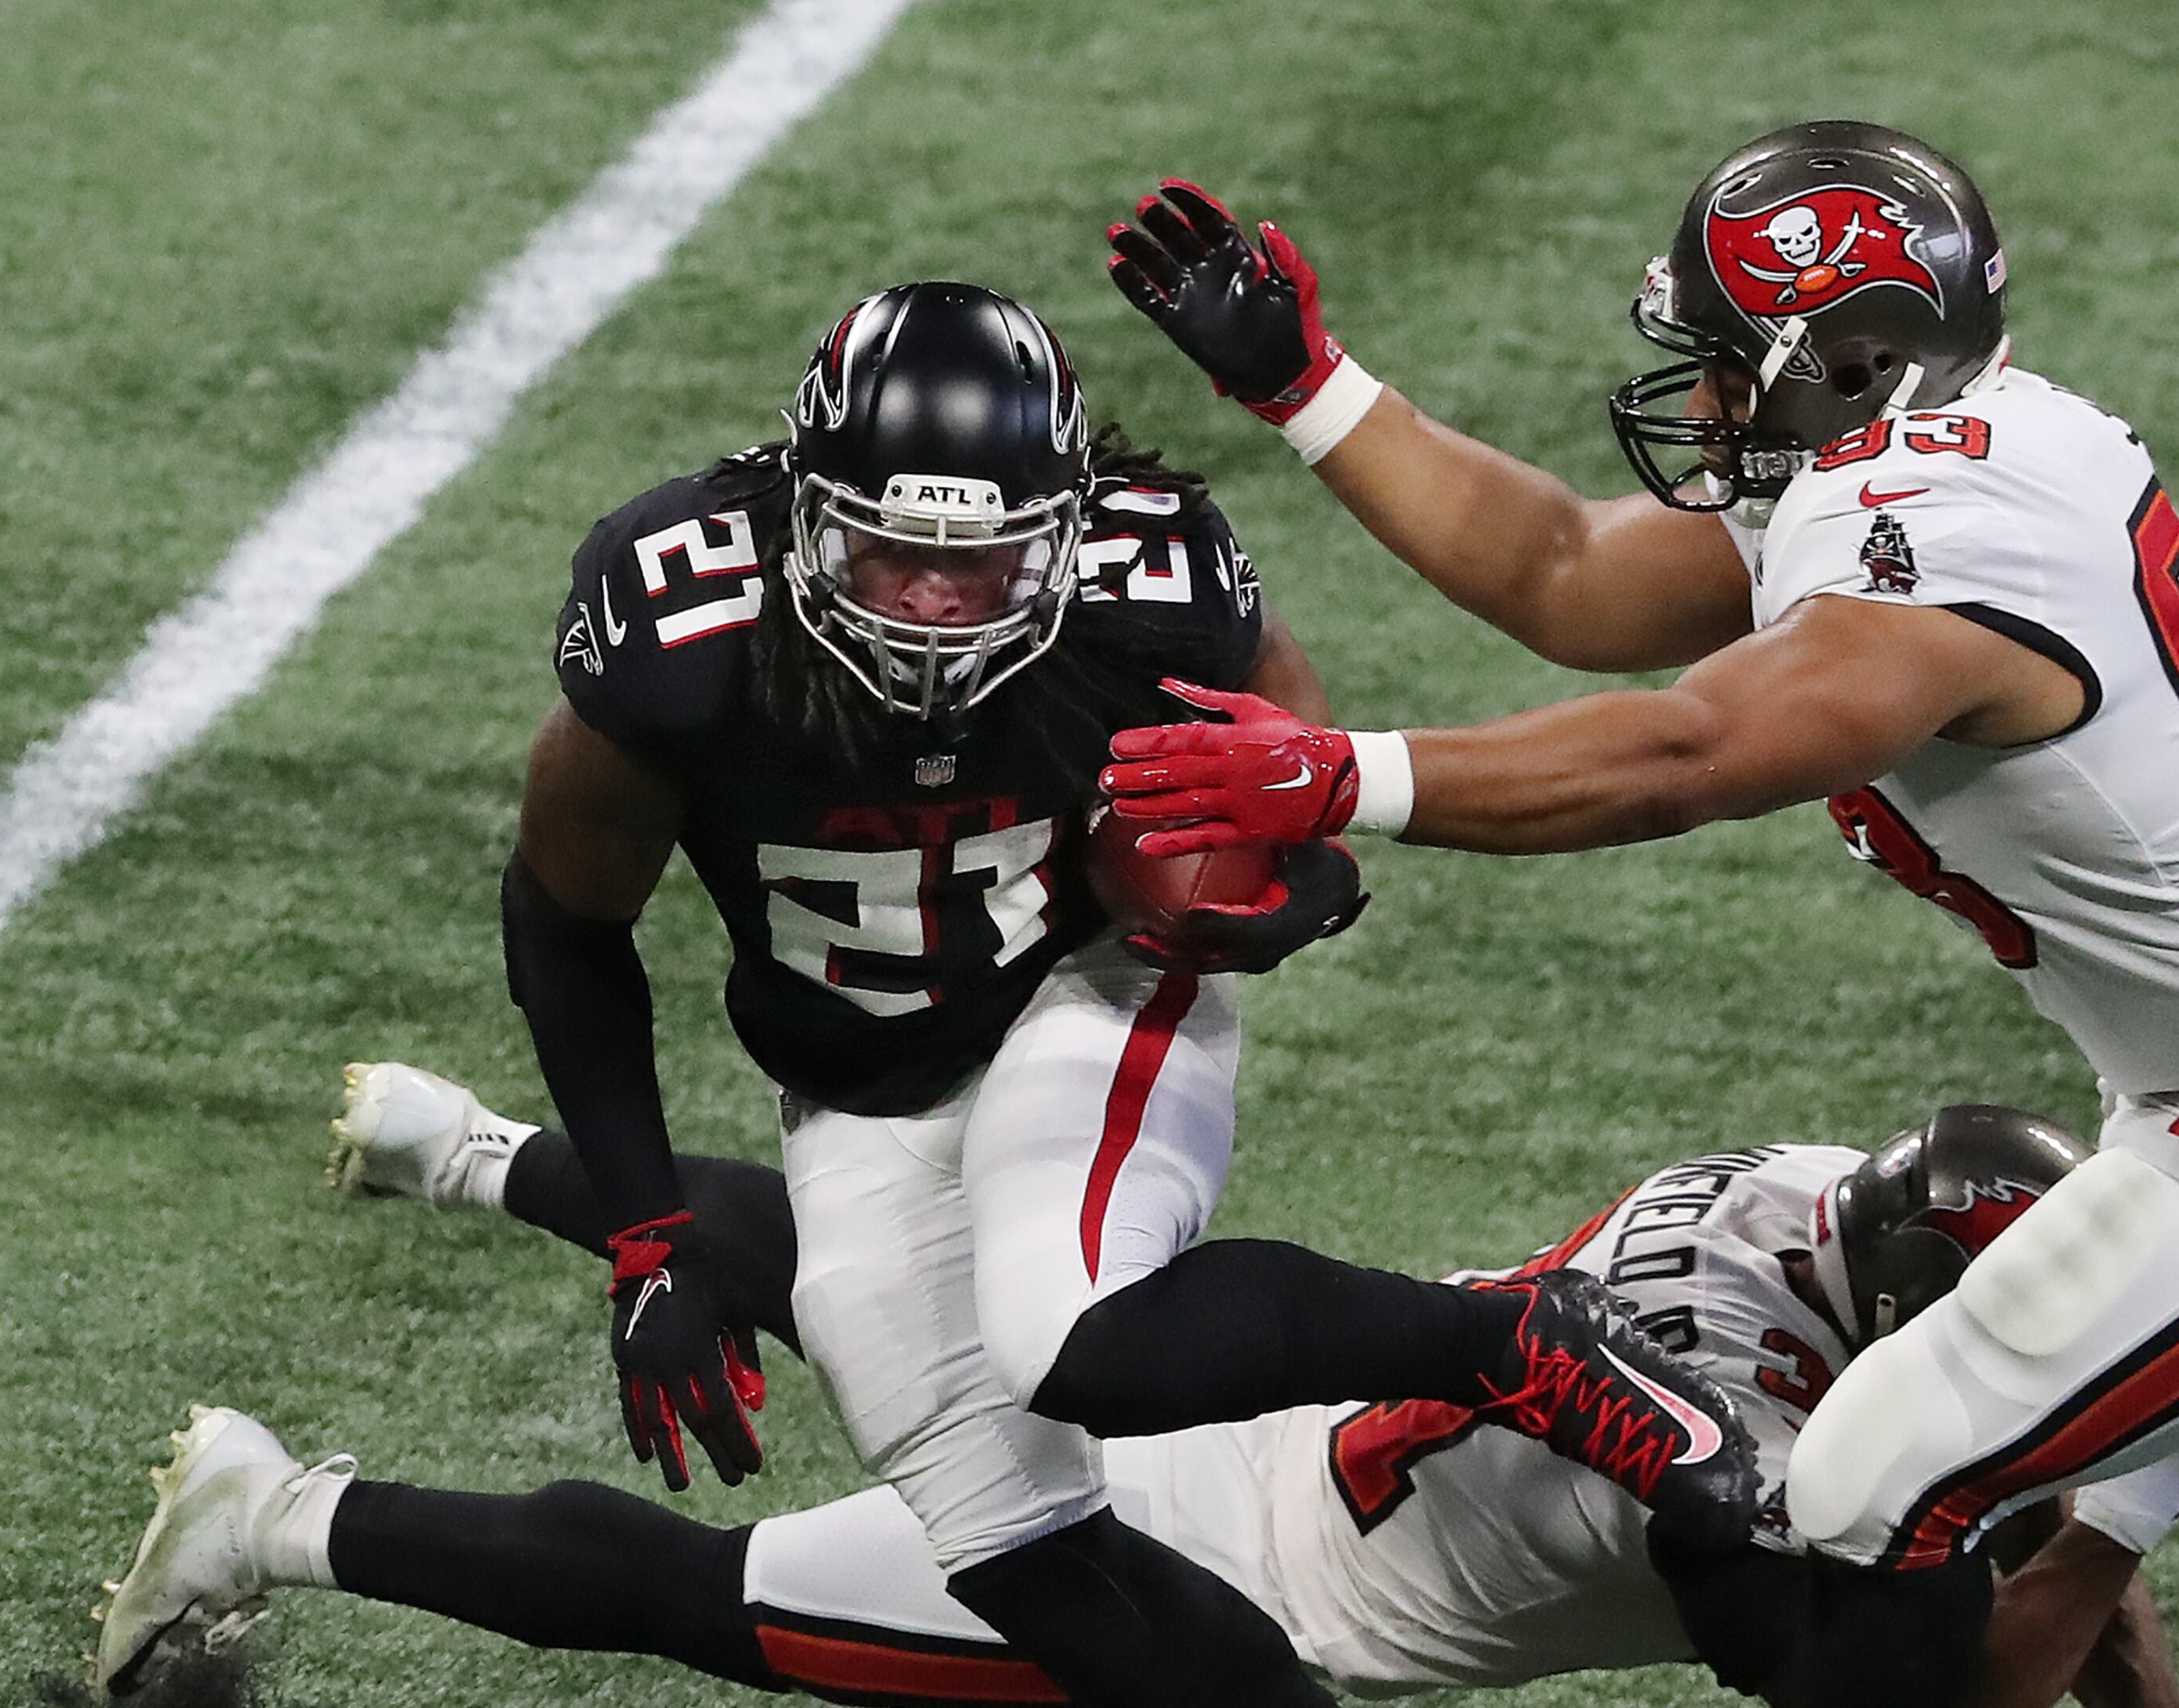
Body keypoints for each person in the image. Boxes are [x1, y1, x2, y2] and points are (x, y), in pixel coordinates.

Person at [91, 282, 1755, 1703]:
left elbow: (1303, 805)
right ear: (808, 506)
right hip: (859, 1084)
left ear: (1063, 523)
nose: (942, 600)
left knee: (1069, 1330)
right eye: (894, 558)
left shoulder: (1147, 576)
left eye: (983, 562)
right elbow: (569, 923)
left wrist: (1263, 901)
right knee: (1058, 1591)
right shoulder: (679, 623)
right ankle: (300, 1483)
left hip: (1086, 988)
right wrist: (654, 1239)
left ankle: (1507, 1338)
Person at [1096, 123, 2179, 1708]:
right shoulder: (1925, 458)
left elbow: (1688, 756)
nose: (1708, 398)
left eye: (1730, 363)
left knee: (1874, 1486)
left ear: (1850, 360)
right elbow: (1571, 569)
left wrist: (1339, 778)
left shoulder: (1935, 535)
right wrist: (1310, 386)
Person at [95, 1068, 2179, 1708]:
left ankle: (463, 1149)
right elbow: (1910, 1694)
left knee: (885, 1299)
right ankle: (272, 1516)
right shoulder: (1771, 1469)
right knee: (704, 1596)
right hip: (1202, 1576)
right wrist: (2123, 1503)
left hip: (1259, 1409)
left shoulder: (1796, 1191)